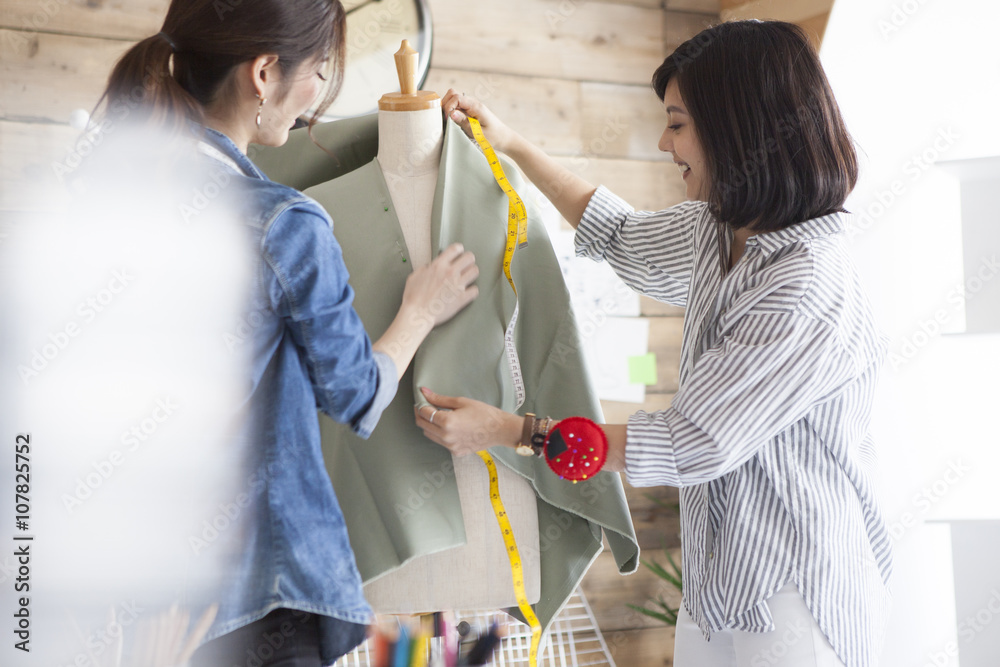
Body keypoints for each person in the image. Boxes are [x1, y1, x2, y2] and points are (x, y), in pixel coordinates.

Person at [417, 20, 891, 667]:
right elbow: (619, 236)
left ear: (737, 127)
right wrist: (513, 144)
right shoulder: (719, 229)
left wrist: (509, 430)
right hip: (716, 586)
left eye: (677, 122)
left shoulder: (807, 283)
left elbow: (687, 443)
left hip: (795, 596)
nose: (664, 142)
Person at [89, 0, 479, 664]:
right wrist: (420, 309)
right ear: (265, 73)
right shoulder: (281, 223)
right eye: (321, 69)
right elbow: (356, 392)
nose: (319, 95)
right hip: (265, 594)